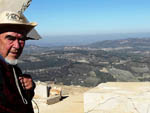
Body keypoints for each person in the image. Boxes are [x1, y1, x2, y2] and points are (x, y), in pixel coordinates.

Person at [0, 11, 37, 113]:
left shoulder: (12, 68)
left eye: (21, 39)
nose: (17, 46)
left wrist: (29, 87)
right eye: (10, 38)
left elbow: (20, 101)